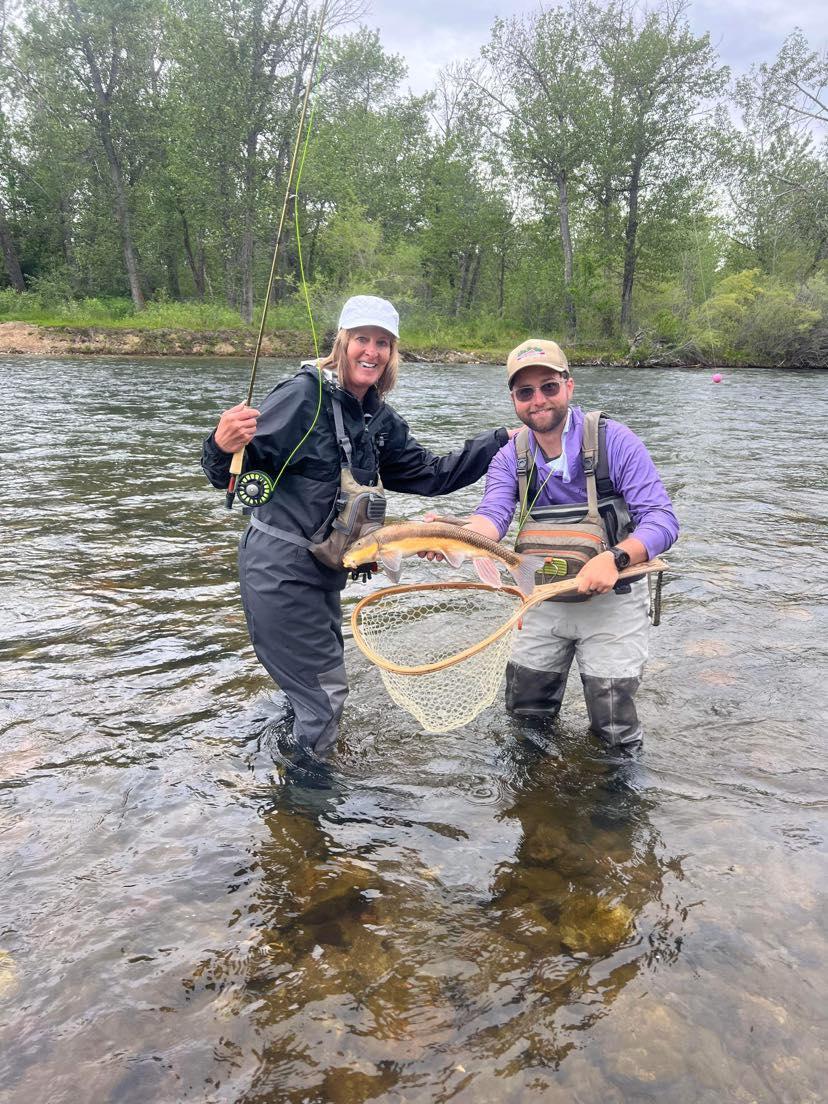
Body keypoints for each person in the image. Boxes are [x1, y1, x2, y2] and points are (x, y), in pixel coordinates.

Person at [201, 295, 511, 758]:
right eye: (362, 339)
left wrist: (504, 439)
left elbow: (433, 474)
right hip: (279, 567)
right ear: (342, 343)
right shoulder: (302, 396)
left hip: (323, 571)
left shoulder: (378, 418)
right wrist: (220, 445)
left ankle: (280, 767)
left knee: (310, 690)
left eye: (383, 342)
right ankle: (308, 809)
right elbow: (231, 476)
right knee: (324, 697)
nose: (371, 351)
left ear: (392, 353)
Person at [462, 338, 679, 747]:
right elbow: (491, 518)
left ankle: (615, 806)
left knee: (613, 728)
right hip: (542, 597)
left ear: (569, 386)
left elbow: (662, 521)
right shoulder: (510, 457)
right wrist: (453, 535)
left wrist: (615, 558)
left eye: (549, 386)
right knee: (525, 718)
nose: (538, 400)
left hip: (614, 599)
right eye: (525, 392)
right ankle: (534, 804)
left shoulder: (614, 440)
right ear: (513, 399)